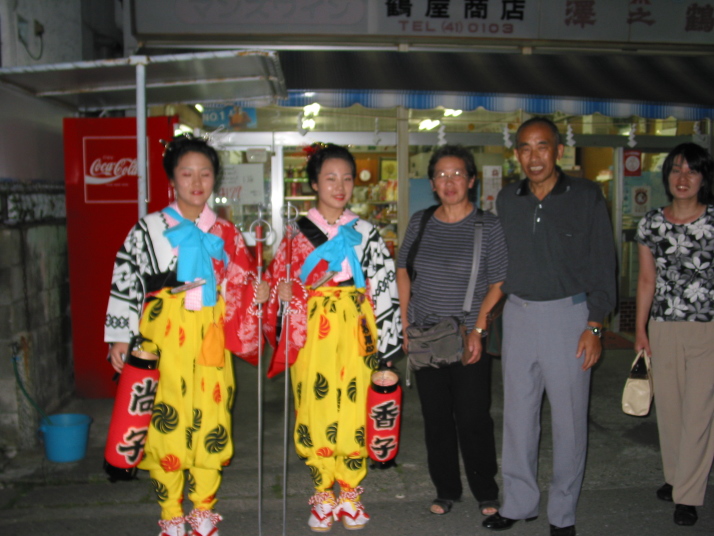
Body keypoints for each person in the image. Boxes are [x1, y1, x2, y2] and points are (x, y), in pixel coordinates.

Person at [105, 134, 269, 536]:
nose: (197, 182)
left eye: (205, 173)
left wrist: (257, 293)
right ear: (172, 179)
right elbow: (127, 282)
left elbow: (241, 286)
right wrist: (121, 336)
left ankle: (204, 509)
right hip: (162, 338)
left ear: (215, 179)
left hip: (209, 336)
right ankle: (170, 511)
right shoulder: (148, 229)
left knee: (212, 419)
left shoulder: (227, 232)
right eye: (187, 173)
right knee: (166, 422)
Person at [482, 117, 617, 536]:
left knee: (569, 421)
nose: (534, 156)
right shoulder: (508, 199)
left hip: (569, 317)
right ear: (516, 154)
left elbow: (604, 263)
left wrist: (595, 326)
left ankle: (562, 513)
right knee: (518, 417)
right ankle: (519, 502)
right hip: (519, 315)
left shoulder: (586, 196)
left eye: (542, 146)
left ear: (558, 150)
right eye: (525, 148)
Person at [263, 143, 402, 532]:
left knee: (357, 409)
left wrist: (387, 352)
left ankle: (351, 493)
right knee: (314, 408)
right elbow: (279, 286)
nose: (340, 187)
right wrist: (283, 294)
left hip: (358, 330)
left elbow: (385, 289)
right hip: (311, 332)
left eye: (346, 179)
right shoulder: (294, 235)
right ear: (314, 183)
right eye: (330, 178)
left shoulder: (367, 233)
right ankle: (323, 493)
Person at [395, 145, 507, 518]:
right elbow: (403, 270)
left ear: (472, 180)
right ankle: (446, 489)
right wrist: (405, 322)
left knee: (474, 417)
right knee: (436, 418)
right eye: (441, 175)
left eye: (458, 173)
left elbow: (498, 282)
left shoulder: (488, 225)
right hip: (425, 337)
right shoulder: (421, 221)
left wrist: (478, 329)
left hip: (466, 338)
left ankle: (485, 490)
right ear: (432, 183)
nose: (449, 181)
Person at [634, 142, 714, 528]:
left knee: (699, 412)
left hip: (707, 327)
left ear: (703, 178)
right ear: (666, 176)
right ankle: (676, 476)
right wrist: (639, 329)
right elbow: (646, 280)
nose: (683, 178)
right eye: (676, 169)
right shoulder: (651, 223)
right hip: (663, 326)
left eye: (692, 170)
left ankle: (688, 495)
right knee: (669, 409)